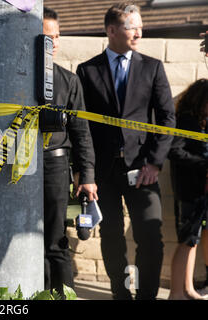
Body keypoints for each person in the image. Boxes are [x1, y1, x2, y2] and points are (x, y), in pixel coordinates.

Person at [76, 3, 175, 300]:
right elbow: (82, 127)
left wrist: (154, 163)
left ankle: (146, 297)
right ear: (112, 30)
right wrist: (86, 173)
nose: (139, 33)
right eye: (132, 27)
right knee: (111, 238)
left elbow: (168, 118)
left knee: (150, 237)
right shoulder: (87, 71)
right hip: (103, 173)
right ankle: (121, 294)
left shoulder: (152, 67)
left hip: (143, 169)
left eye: (140, 26)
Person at [42, 7, 98, 298]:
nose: (53, 43)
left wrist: (86, 175)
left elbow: (82, 133)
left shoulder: (69, 80)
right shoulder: (11, 80)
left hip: (54, 167)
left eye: (57, 37)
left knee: (55, 242)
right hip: (15, 168)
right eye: (46, 37)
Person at [167, 79, 208, 300]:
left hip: (201, 193)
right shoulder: (185, 121)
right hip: (189, 191)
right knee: (187, 241)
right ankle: (175, 293)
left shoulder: (203, 122)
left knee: (193, 241)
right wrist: (203, 164)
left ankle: (188, 289)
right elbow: (175, 152)